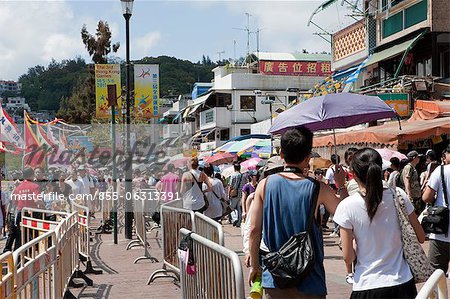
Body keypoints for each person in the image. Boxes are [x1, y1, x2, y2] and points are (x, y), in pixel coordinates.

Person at [248, 127, 347, 298]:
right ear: (308, 157)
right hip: (311, 280)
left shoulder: (264, 185)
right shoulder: (318, 188)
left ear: (281, 155)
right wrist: (341, 184)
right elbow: (347, 215)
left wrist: (255, 266)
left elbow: (254, 231)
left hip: (275, 277)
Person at [334, 148, 425, 298]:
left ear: (354, 175)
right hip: (402, 283)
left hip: (367, 285)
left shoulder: (347, 206)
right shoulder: (399, 195)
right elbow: (421, 237)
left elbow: (348, 258)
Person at [422, 144, 450, 274]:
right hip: (442, 232)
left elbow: (426, 197)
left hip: (441, 232)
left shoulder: (441, 171)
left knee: (435, 274)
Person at [3, 167, 42, 252]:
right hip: (32, 214)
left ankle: (18, 260)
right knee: (34, 237)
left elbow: (16, 202)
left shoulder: (18, 188)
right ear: (32, 175)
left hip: (20, 214)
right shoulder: (35, 186)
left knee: (20, 238)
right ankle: (34, 257)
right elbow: (36, 200)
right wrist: (43, 205)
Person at [228, 162, 247, 227]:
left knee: (231, 208)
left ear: (234, 168)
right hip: (241, 194)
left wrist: (229, 194)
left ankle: (235, 219)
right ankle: (239, 222)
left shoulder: (233, 175)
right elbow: (245, 184)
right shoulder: (244, 176)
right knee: (239, 209)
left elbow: (230, 186)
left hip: (234, 194)